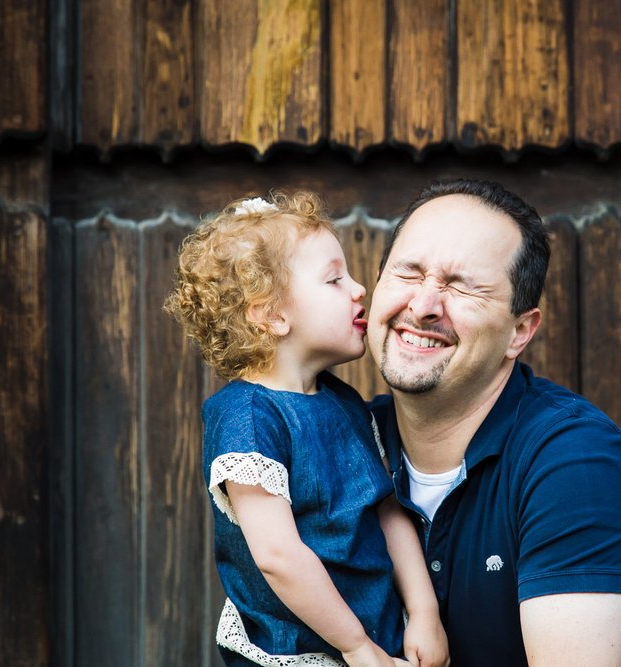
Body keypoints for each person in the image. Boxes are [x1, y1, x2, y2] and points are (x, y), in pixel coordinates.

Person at [366, 179, 621, 666]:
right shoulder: (348, 439)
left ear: (519, 331)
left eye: (460, 286)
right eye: (408, 274)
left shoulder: (572, 459)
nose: (423, 306)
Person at [164, 192, 449, 667]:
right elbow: (278, 556)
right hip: (300, 650)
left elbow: (385, 512)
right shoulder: (248, 417)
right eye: (335, 279)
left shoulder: (342, 403)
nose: (360, 289)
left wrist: (423, 611)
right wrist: (356, 646)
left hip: (376, 639)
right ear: (272, 314)